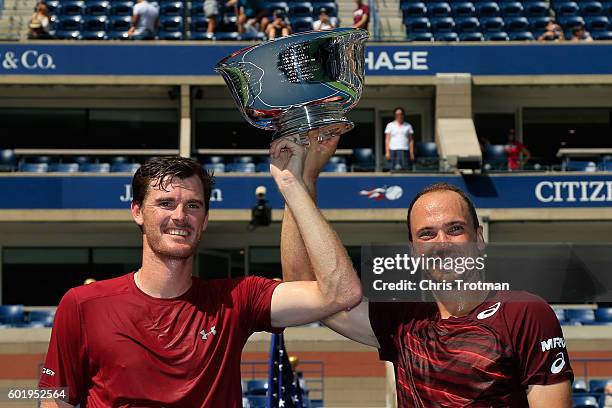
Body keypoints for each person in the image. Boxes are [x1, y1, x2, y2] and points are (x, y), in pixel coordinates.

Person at [39, 154, 361, 407]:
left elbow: (341, 292)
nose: (180, 216)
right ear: (137, 211)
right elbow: (56, 398)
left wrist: (293, 184)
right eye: (165, 203)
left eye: (192, 205)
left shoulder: (237, 299)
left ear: (205, 220)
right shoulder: (82, 305)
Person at [280, 137, 573, 407]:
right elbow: (304, 290)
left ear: (479, 239)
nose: (442, 244)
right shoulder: (403, 322)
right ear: (413, 251)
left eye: (455, 229)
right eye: (427, 235)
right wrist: (300, 182)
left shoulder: (525, 313)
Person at [385, 107, 415, 171]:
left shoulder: (408, 126)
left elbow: (411, 140)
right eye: (397, 114)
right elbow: (387, 139)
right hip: (393, 150)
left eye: (400, 114)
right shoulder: (390, 125)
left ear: (403, 115)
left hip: (405, 150)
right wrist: (387, 152)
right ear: (395, 115)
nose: (399, 116)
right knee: (392, 170)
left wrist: (411, 153)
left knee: (405, 169)